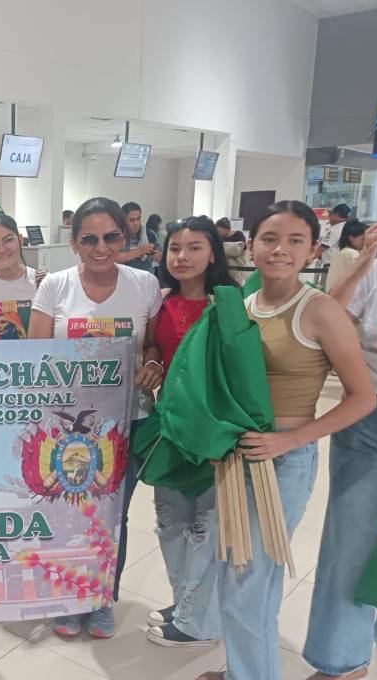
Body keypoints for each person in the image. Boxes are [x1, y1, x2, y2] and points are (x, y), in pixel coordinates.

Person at [195, 200, 376, 680]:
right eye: (270, 239)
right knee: (240, 573)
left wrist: (291, 441)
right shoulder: (243, 306)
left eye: (296, 241)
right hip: (237, 456)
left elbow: (362, 399)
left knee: (247, 582)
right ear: (249, 245)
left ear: (314, 248)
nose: (280, 250)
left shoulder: (320, 311)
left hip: (283, 458)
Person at [28, 196, 165, 639]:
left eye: (110, 237)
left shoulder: (144, 284)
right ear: (74, 242)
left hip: (128, 423)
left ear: (125, 238)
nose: (100, 247)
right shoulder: (55, 287)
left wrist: (153, 365)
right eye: (89, 239)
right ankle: (70, 596)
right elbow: (34, 354)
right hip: (66, 428)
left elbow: (155, 345)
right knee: (69, 513)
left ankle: (103, 597)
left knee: (112, 515)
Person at [302, 222, 377, 680]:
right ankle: (341, 662)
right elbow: (324, 319)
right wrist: (362, 266)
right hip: (369, 422)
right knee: (349, 542)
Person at [143, 216, 237, 648]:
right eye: (175, 248)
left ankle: (200, 620)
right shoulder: (160, 302)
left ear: (213, 253)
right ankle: (185, 602)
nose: (182, 257)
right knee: (170, 521)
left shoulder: (231, 303)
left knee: (207, 526)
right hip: (172, 427)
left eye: (194, 247)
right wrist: (152, 362)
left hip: (216, 434)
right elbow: (153, 347)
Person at [324, 220, 368, 292]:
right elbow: (365, 278)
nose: (365, 242)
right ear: (351, 238)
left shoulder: (340, 252)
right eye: (362, 239)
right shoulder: (352, 254)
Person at [117, 201, 160, 272]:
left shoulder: (150, 234)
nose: (136, 223)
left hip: (147, 278)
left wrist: (155, 252)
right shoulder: (116, 235)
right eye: (131, 220)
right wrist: (138, 252)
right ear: (123, 220)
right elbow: (112, 259)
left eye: (138, 219)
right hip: (125, 278)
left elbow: (163, 258)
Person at [216, 217, 250, 286]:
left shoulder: (238, 234)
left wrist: (225, 247)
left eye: (219, 230)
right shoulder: (220, 237)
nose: (218, 232)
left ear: (226, 228)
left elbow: (241, 248)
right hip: (225, 266)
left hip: (238, 266)